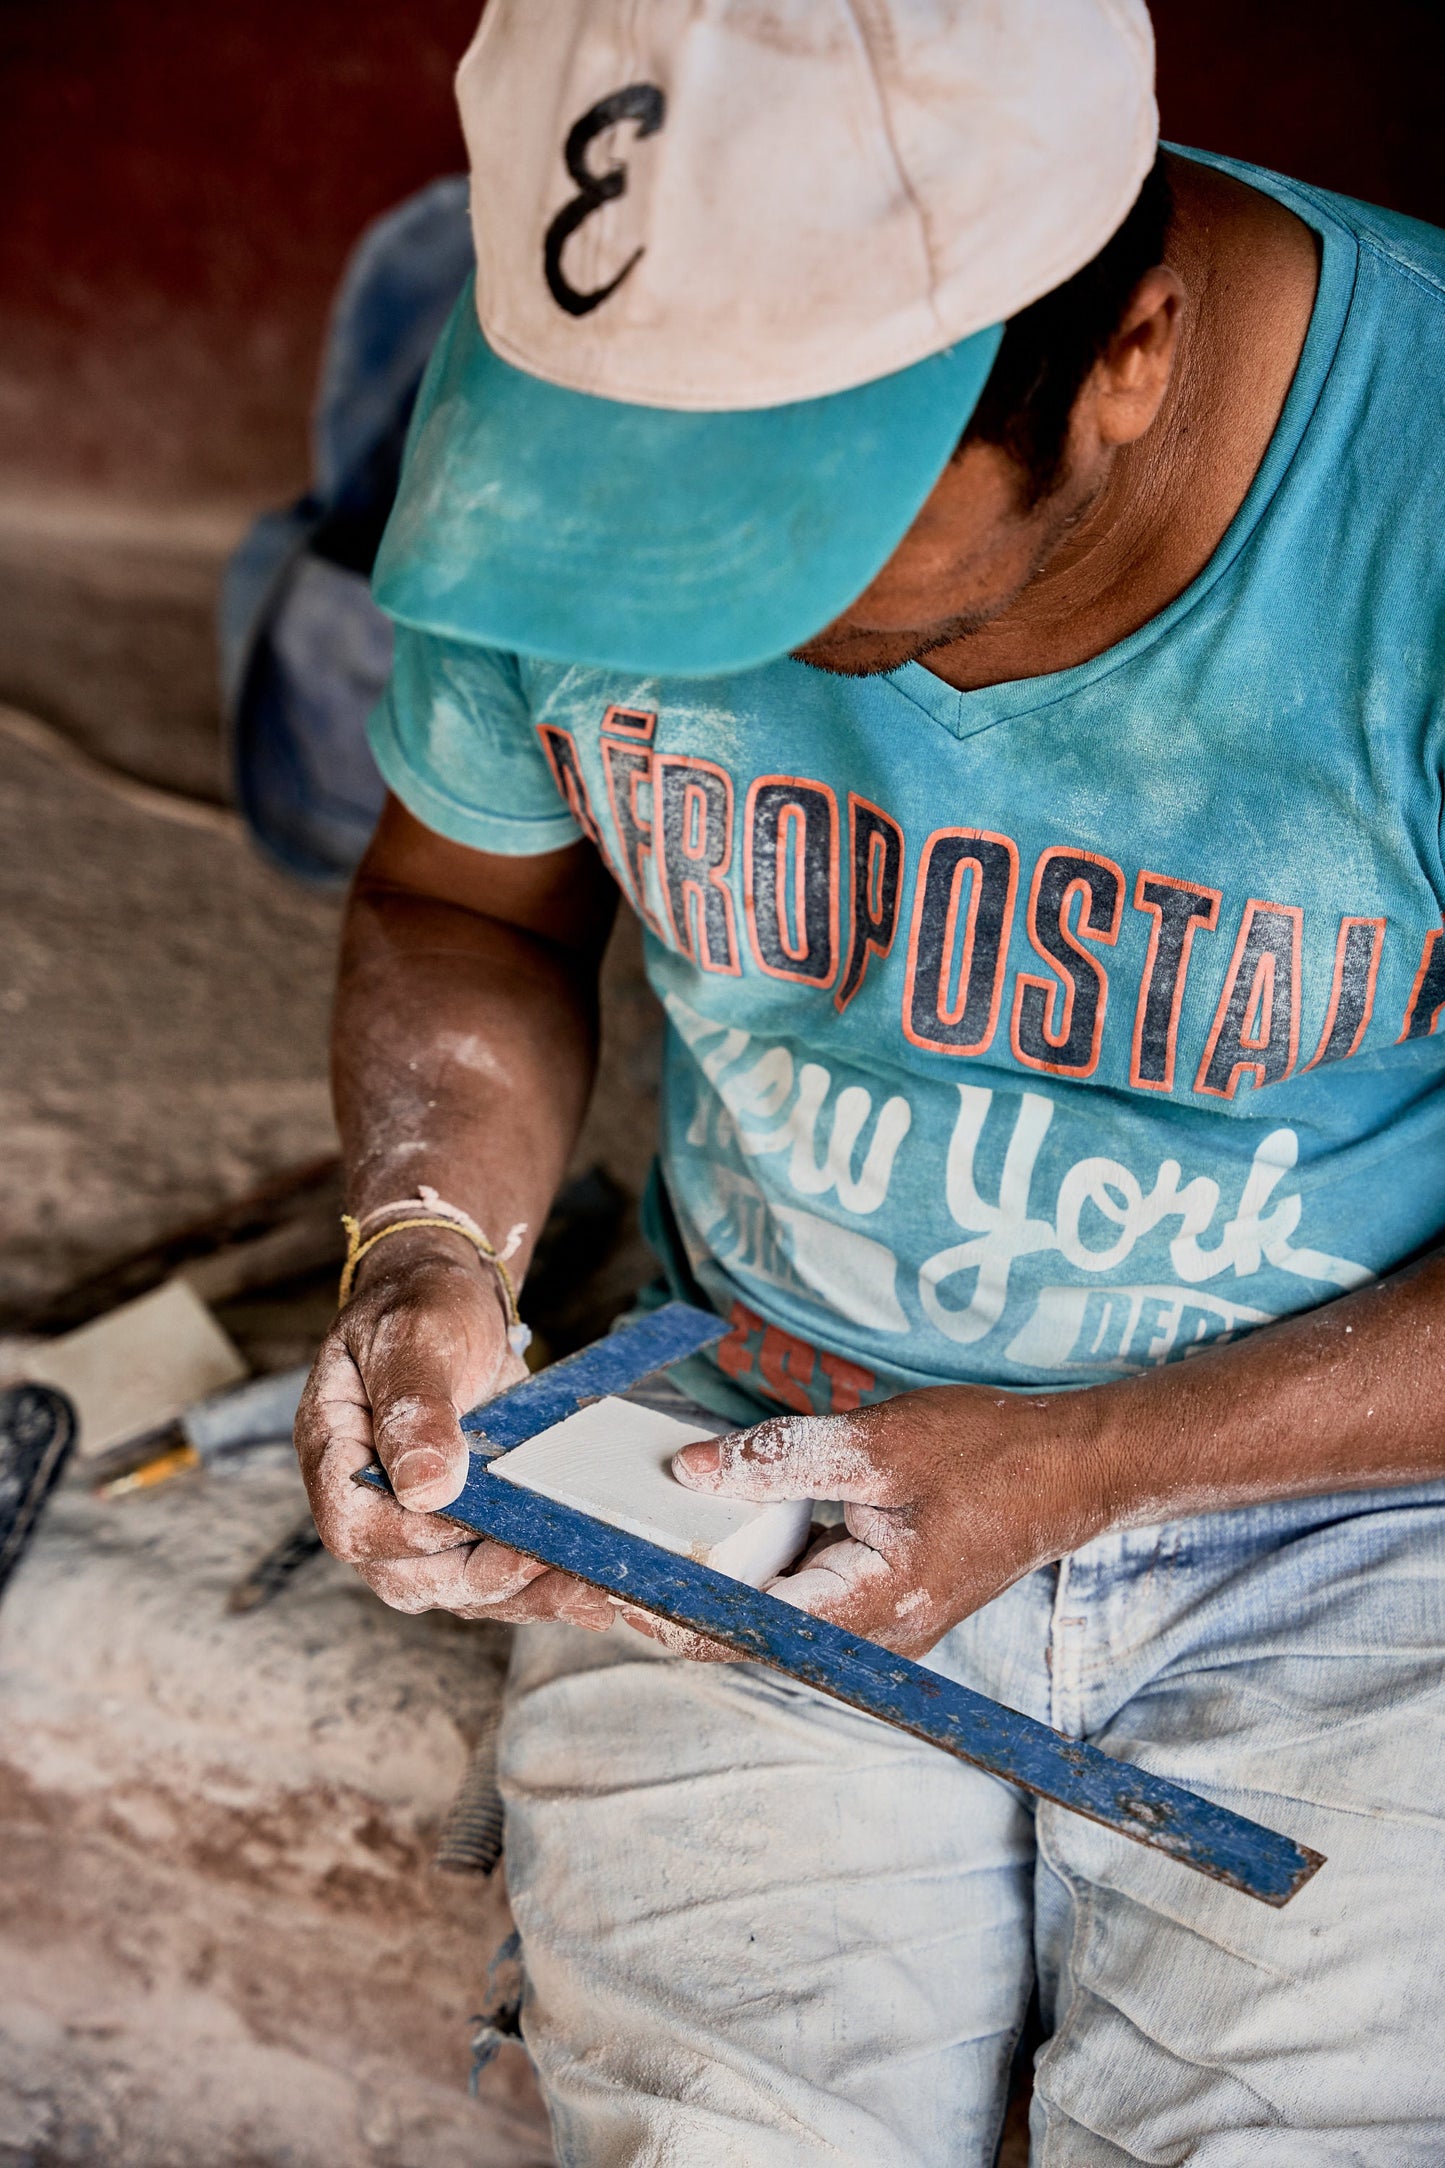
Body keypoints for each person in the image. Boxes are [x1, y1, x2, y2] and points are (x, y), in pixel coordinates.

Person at [295, 1, 1445, 2158]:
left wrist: (1089, 1455)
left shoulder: (1425, 492)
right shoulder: (571, 391)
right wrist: (432, 1236)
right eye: (630, 516)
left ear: (1127, 354)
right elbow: (468, 909)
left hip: (1371, 1512)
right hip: (746, 1444)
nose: (667, 602)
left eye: (777, 541)